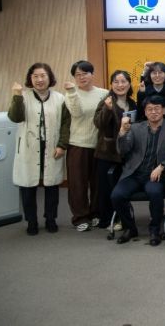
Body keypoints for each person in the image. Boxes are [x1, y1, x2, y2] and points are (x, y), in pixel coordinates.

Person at [8, 63, 70, 235]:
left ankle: (51, 219)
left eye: (43, 75)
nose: (39, 79)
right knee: (28, 186)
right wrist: (16, 96)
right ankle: (31, 221)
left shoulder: (60, 98)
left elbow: (66, 124)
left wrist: (62, 145)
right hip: (29, 147)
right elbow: (15, 117)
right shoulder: (23, 96)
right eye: (35, 76)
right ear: (30, 79)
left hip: (52, 147)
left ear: (50, 78)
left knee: (52, 185)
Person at [112, 95, 165, 246]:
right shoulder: (136, 127)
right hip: (135, 173)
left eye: (157, 108)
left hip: (157, 174)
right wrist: (122, 132)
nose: (153, 112)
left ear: (164, 110)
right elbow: (122, 151)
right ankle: (130, 228)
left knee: (155, 193)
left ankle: (155, 230)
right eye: (149, 109)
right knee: (117, 195)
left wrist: (162, 166)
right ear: (145, 112)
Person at [64, 60, 108, 231]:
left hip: (98, 145)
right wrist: (72, 93)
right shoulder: (70, 95)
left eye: (85, 73)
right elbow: (77, 113)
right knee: (78, 183)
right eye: (77, 75)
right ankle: (80, 217)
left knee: (98, 183)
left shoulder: (103, 93)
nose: (81, 77)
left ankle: (96, 213)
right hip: (78, 144)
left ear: (92, 74)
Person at [93, 70, 137, 229]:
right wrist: (107, 109)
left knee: (121, 187)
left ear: (129, 84)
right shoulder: (106, 101)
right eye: (116, 82)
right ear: (111, 85)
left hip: (125, 152)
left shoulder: (132, 103)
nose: (120, 85)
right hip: (107, 152)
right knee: (105, 188)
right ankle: (105, 219)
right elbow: (99, 123)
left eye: (123, 81)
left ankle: (120, 217)